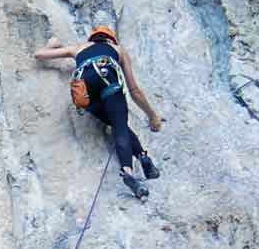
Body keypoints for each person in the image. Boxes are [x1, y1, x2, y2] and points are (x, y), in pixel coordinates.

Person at [34, 26, 164, 197]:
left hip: (84, 92)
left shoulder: (78, 48)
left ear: (92, 39)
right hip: (107, 79)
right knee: (119, 127)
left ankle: (143, 157)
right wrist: (152, 116)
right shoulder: (118, 50)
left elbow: (39, 55)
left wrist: (53, 43)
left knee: (118, 123)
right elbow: (135, 91)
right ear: (111, 40)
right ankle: (128, 173)